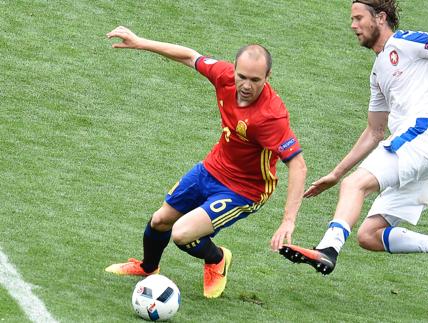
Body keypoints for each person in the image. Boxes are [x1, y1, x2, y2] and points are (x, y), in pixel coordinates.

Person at [279, 0, 428, 282]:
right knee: (368, 235)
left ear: (380, 17)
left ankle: (328, 250)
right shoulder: (377, 73)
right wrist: (335, 174)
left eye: (358, 18)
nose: (353, 25)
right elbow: (374, 132)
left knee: (355, 185)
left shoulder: (405, 42)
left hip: (425, 137)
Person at [104, 26, 307, 298]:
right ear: (233, 69)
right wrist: (141, 42)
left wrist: (288, 221)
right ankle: (147, 267)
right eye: (242, 76)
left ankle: (217, 259)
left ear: (268, 77)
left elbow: (298, 165)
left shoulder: (271, 116)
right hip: (211, 169)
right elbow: (190, 56)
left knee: (182, 234)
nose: (246, 86)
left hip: (245, 189)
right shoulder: (224, 76)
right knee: (160, 221)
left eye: (255, 80)